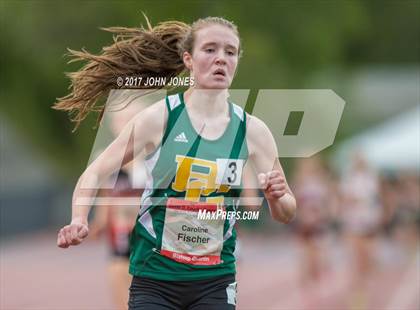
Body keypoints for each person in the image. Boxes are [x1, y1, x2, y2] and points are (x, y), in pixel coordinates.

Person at [55, 16, 296, 310]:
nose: (221, 59)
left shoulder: (253, 131)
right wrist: (79, 218)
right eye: (210, 50)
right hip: (155, 279)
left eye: (230, 52)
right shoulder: (160, 118)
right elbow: (95, 171)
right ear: (188, 59)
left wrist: (277, 196)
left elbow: (286, 211)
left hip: (215, 281)